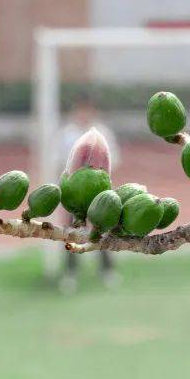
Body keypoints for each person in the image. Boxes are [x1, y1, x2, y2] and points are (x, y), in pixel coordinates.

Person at [59, 100, 119, 293]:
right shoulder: (66, 134)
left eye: (86, 110)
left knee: (102, 231)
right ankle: (70, 273)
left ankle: (107, 271)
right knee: (70, 232)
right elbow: (58, 162)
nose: (83, 114)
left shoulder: (103, 134)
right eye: (80, 110)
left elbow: (113, 162)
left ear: (92, 111)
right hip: (73, 196)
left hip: (98, 193)